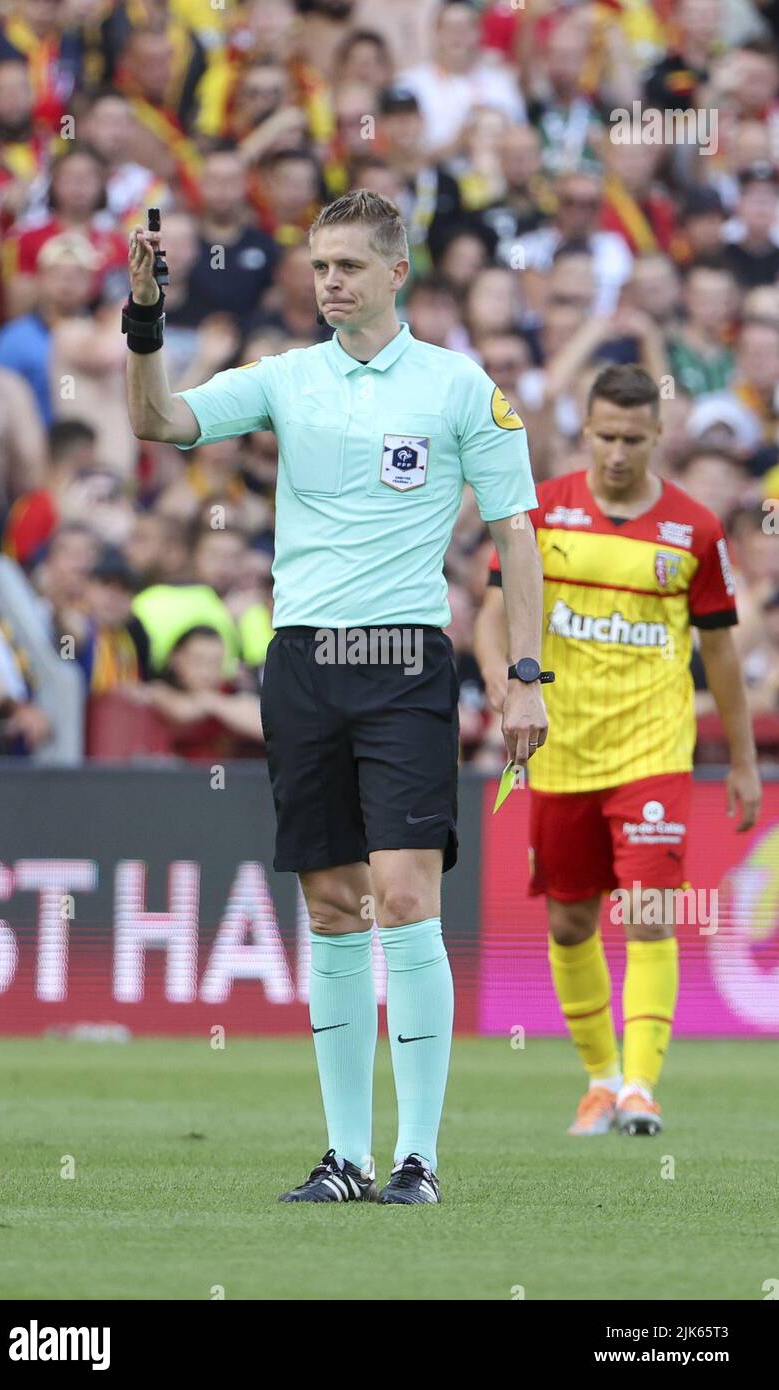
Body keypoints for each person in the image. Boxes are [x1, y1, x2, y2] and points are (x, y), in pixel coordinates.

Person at [124, 187, 546, 1204]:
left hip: (405, 660)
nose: (328, 282)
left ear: (398, 273)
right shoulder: (287, 378)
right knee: (330, 904)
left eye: (348, 266)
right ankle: (346, 1156)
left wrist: (524, 676)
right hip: (304, 660)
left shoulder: (457, 388)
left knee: (406, 893)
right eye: (318, 266)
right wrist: (144, 322)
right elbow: (157, 419)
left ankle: (420, 1158)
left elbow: (516, 534)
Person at [475, 364, 762, 1140]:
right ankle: (600, 1080)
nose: (617, 453)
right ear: (585, 426)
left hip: (653, 752)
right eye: (604, 436)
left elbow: (724, 656)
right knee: (570, 923)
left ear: (658, 436)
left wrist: (738, 762)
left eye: (633, 439)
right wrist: (505, 685)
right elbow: (490, 616)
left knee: (647, 914)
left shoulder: (694, 528)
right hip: (562, 752)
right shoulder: (542, 510)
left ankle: (641, 1087)